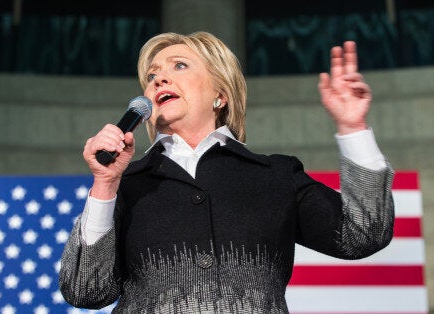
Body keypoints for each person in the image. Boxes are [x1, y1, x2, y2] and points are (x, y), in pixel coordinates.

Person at [59, 31, 394, 313]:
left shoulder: (276, 175)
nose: (159, 77)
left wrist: (353, 127)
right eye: (151, 75)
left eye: (179, 66)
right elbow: (85, 290)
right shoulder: (125, 184)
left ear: (220, 94)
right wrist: (104, 184)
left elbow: (363, 234)